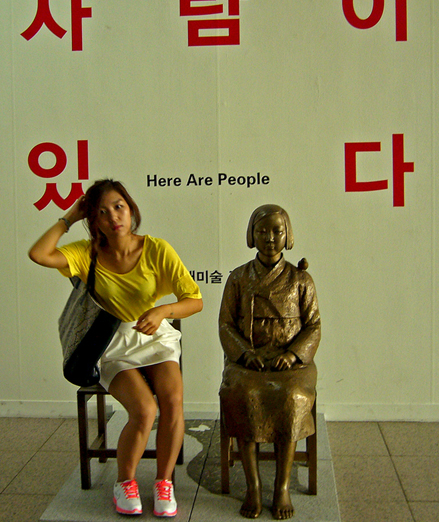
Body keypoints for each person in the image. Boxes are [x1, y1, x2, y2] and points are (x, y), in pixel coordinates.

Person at [29, 179, 203, 517]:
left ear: (130, 208)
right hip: (112, 344)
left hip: (154, 337)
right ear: (93, 220)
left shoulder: (156, 249)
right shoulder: (87, 253)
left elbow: (194, 300)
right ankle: (125, 482)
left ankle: (164, 482)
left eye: (119, 207)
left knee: (172, 400)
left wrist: (163, 311)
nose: (113, 217)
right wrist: (69, 217)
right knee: (144, 410)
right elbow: (38, 254)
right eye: (102, 212)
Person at [219, 204, 321, 520]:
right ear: (252, 235)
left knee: (292, 397)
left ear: (287, 235)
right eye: (262, 231)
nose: (270, 238)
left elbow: (314, 325)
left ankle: (282, 487)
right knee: (244, 394)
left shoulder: (301, 279)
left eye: (277, 231)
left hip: (292, 364)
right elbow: (225, 325)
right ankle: (253, 486)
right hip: (248, 362)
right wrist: (244, 353)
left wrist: (292, 354)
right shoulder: (238, 277)